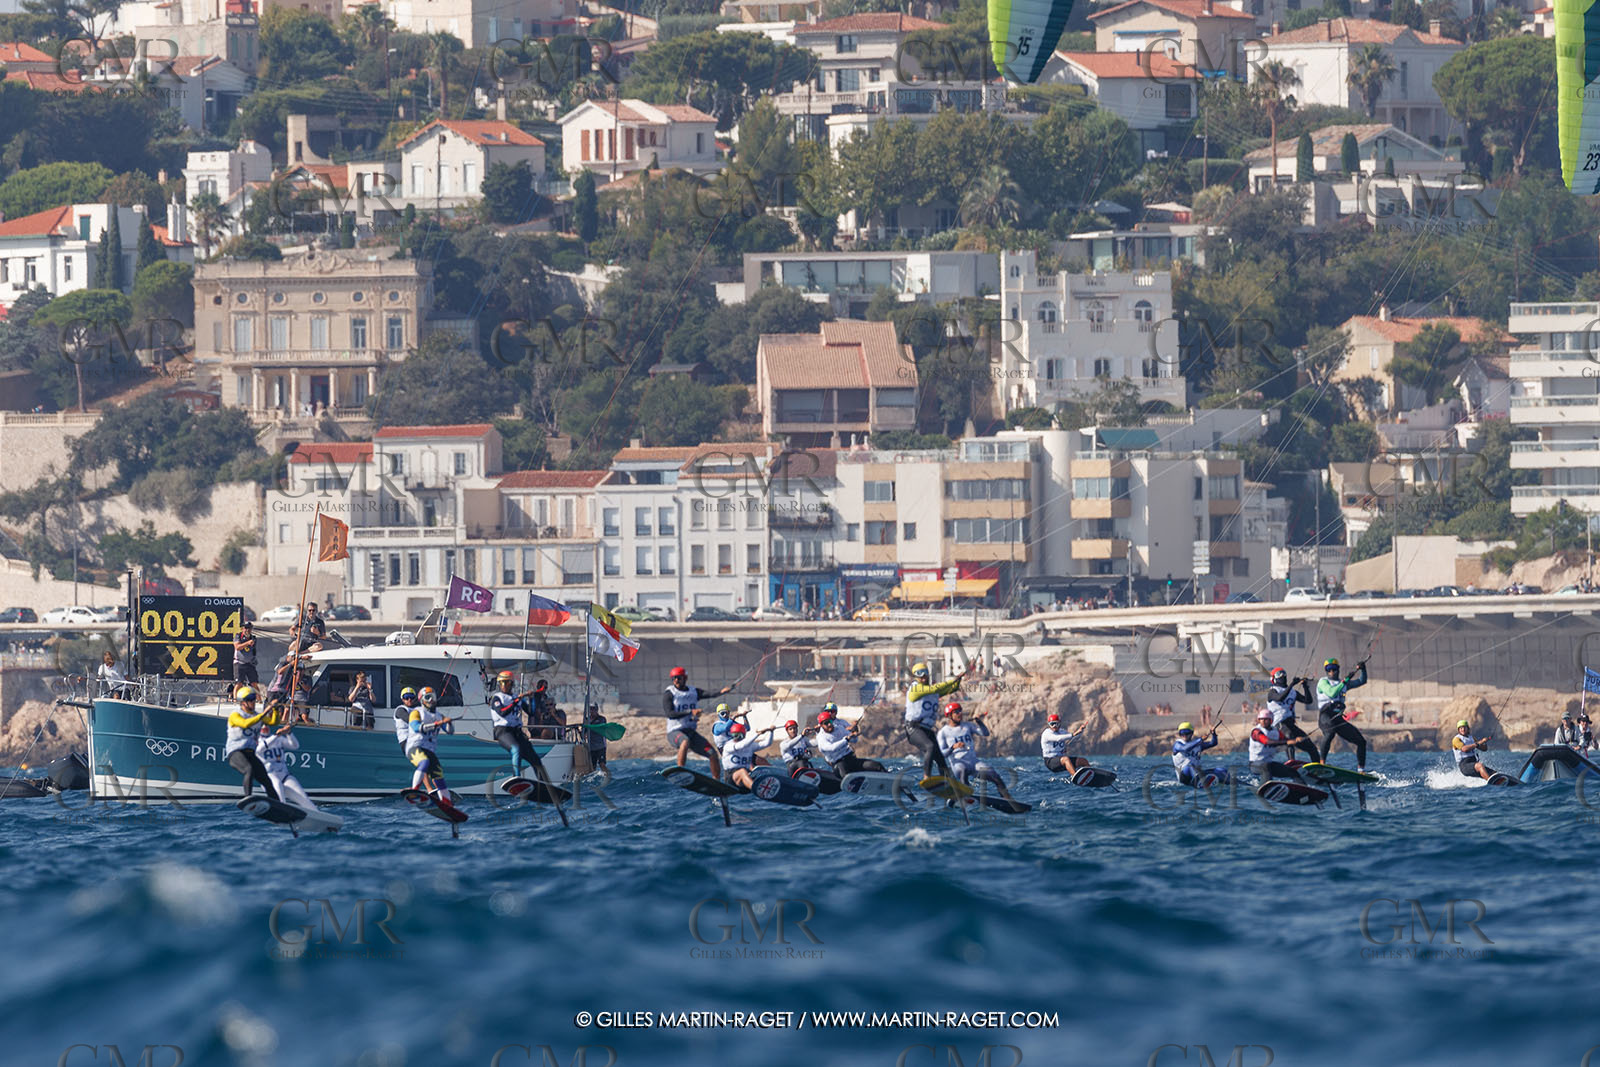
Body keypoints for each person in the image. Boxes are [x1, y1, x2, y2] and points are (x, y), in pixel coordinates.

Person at [904, 661, 970, 777]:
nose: (923, 676)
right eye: (919, 674)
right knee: (930, 746)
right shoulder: (915, 690)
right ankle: (926, 776)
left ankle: (948, 782)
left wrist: (959, 678)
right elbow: (935, 688)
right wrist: (952, 680)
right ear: (915, 677)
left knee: (940, 757)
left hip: (927, 730)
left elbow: (953, 688)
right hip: (913, 728)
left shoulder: (931, 690)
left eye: (925, 673)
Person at [663, 666, 733, 776]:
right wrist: (691, 712)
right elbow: (670, 714)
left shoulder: (693, 691)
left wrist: (722, 692)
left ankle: (717, 781)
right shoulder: (669, 694)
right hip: (675, 732)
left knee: (712, 754)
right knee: (685, 742)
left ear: (684, 678)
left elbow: (709, 693)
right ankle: (680, 772)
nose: (676, 680)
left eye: (678, 678)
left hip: (691, 733)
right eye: (674, 678)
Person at [938, 703, 1014, 800]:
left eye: (960, 711)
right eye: (956, 712)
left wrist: (979, 722)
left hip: (973, 762)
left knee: (994, 775)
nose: (959, 714)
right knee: (963, 771)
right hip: (958, 763)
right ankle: (966, 796)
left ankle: (1008, 798)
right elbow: (942, 754)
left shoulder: (968, 726)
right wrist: (953, 747)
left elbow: (986, 733)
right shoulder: (943, 732)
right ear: (949, 715)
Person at [487, 670, 549, 781]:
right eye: (502, 683)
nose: (505, 686)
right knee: (516, 749)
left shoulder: (516, 698)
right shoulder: (497, 698)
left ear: (512, 684)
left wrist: (532, 699)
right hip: (502, 731)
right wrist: (516, 701)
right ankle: (516, 778)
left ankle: (545, 784)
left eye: (507, 683)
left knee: (535, 759)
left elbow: (531, 712)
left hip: (517, 732)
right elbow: (502, 712)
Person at [257, 706, 322, 812]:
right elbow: (260, 749)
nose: (265, 727)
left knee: (305, 800)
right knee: (278, 787)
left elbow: (295, 746)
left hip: (285, 776)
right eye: (262, 725)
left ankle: (317, 816)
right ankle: (281, 811)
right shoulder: (257, 741)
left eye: (266, 725)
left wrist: (289, 733)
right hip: (269, 777)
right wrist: (277, 735)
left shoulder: (278, 740)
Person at [223, 685, 278, 800]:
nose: (253, 702)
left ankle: (278, 804)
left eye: (253, 699)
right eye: (249, 699)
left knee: (266, 779)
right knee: (249, 770)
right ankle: (248, 798)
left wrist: (275, 709)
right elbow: (245, 724)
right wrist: (263, 714)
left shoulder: (257, 716)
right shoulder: (235, 715)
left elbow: (274, 722)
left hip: (250, 753)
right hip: (235, 753)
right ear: (243, 702)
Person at [1316, 657, 1369, 771]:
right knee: (1330, 733)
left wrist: (1363, 670)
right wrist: (1344, 681)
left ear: (1338, 669)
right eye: (1329, 669)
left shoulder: (1344, 683)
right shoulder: (1323, 682)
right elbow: (1332, 692)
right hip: (1325, 716)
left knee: (1361, 742)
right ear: (1326, 671)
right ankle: (1322, 763)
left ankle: (1361, 770)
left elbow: (1361, 681)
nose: (1331, 672)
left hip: (1338, 718)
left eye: (1334, 669)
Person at [406, 686, 455, 800]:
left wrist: (449, 723)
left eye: (433, 697)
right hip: (415, 747)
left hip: (429, 750)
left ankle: (446, 802)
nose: (431, 700)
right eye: (427, 697)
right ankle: (414, 791)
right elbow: (416, 727)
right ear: (422, 700)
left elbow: (450, 732)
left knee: (438, 773)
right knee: (424, 762)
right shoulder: (416, 712)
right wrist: (437, 724)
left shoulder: (439, 715)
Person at [1266, 667, 1320, 762]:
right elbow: (1280, 698)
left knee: (1311, 747)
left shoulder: (1292, 692)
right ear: (1273, 679)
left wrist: (1305, 686)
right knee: (1289, 736)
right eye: (1279, 674)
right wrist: (1291, 684)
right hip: (1279, 726)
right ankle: (1292, 761)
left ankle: (1319, 769)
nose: (1282, 676)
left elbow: (1308, 701)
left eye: (1283, 674)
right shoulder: (1272, 691)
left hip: (1291, 725)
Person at [815, 704, 885, 775]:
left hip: (851, 759)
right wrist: (846, 739)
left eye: (830, 722)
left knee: (877, 766)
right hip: (839, 763)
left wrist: (854, 734)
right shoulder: (821, 737)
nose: (829, 724)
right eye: (826, 723)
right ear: (821, 725)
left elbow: (854, 740)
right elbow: (832, 748)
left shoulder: (839, 728)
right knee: (846, 776)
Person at [1248, 708, 1303, 783]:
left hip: (1269, 765)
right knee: (1265, 766)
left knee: (1293, 772)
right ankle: (1265, 787)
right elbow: (1267, 742)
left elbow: (1286, 741)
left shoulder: (1276, 732)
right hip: (1255, 764)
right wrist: (1287, 742)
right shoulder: (1256, 732)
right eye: (1261, 719)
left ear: (1271, 720)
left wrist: (1296, 740)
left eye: (1266, 719)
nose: (1263, 722)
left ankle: (1303, 788)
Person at [719, 720, 777, 790]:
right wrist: (757, 734)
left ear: (744, 735)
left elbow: (767, 743)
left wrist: (771, 731)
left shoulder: (749, 746)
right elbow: (741, 745)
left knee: (762, 771)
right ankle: (757, 790)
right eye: (734, 735)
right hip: (731, 778)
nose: (737, 738)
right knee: (742, 771)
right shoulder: (728, 746)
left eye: (739, 735)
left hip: (747, 776)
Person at [1172, 721, 1223, 787]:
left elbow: (1213, 743)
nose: (1184, 735)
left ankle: (1234, 782)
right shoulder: (1177, 744)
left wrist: (1214, 734)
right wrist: (1200, 739)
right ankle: (1201, 782)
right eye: (1181, 733)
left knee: (1220, 770)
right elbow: (1185, 748)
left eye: (1186, 732)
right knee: (1189, 767)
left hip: (1198, 774)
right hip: (1185, 777)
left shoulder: (1197, 745)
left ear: (1191, 733)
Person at [392, 687, 420, 754]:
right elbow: (409, 720)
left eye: (411, 697)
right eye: (406, 697)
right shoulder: (400, 709)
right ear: (402, 699)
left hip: (416, 739)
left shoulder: (417, 710)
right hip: (406, 740)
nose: (409, 699)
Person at [232, 622, 258, 687]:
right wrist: (247, 643)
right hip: (239, 663)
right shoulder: (238, 636)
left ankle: (258, 697)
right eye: (246, 628)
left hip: (249, 663)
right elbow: (237, 647)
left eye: (249, 628)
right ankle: (235, 697)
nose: (247, 630)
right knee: (239, 684)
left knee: (254, 683)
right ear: (242, 629)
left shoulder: (253, 638)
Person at [584, 704, 608, 771]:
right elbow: (584, 733)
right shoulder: (586, 720)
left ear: (597, 710)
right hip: (591, 748)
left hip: (601, 747)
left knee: (602, 765)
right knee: (592, 767)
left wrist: (590, 725)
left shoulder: (602, 719)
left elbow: (600, 728)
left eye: (593, 709)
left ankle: (607, 777)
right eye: (590, 709)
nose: (592, 711)